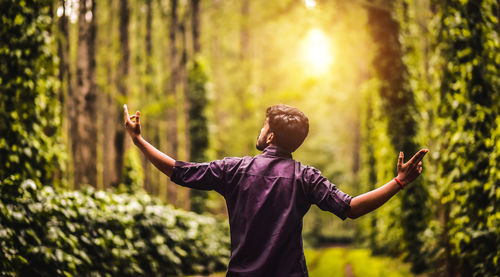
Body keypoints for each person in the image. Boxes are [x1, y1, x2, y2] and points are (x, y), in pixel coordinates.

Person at [123, 103, 428, 277]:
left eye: (263, 125)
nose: (260, 129)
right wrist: (399, 181)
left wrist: (138, 140)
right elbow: (351, 208)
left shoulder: (235, 169)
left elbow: (180, 171)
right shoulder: (305, 178)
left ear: (270, 136)